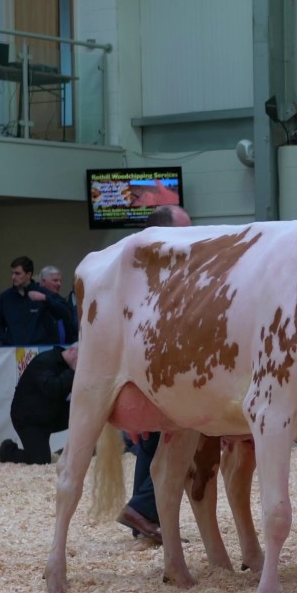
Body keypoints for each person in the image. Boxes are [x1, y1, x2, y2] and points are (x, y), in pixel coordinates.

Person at [116, 203, 192, 543]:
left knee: (149, 446)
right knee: (179, 444)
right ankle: (144, 510)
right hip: (160, 372)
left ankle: (143, 521)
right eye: (185, 230)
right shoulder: (158, 274)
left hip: (145, 371)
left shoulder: (135, 268)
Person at [0, 344, 77, 465]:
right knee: (40, 461)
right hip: (29, 420)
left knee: (83, 411)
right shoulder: (44, 361)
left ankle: (74, 450)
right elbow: (51, 388)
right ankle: (7, 451)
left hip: (50, 414)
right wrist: (73, 372)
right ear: (72, 350)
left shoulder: (66, 366)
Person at [0, 256, 71, 346]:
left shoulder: (44, 294)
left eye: (17, 273)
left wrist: (45, 299)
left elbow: (65, 313)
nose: (13, 277)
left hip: (40, 352)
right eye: (12, 273)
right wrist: (4, 342)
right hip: (13, 352)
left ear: (28, 274)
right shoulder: (4, 298)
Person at [39, 265, 77, 343]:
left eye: (60, 280)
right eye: (55, 280)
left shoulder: (62, 301)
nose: (59, 284)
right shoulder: (34, 299)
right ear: (43, 281)